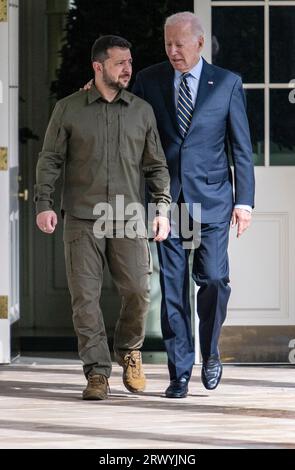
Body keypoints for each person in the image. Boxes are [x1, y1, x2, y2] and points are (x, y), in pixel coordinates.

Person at [34, 35, 171, 401]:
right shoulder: (68, 108)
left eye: (130, 61)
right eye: (119, 62)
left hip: (127, 216)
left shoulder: (141, 111)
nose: (128, 68)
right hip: (81, 217)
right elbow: (50, 159)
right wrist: (44, 203)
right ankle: (96, 372)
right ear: (98, 67)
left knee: (138, 291)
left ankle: (129, 349)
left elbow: (156, 165)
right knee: (85, 299)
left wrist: (161, 207)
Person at [131, 12, 255, 397]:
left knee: (214, 279)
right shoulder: (148, 80)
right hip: (167, 202)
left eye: (179, 45)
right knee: (172, 288)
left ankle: (211, 349)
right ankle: (179, 371)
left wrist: (245, 202)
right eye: (168, 44)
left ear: (199, 44)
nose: (172, 52)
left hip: (214, 199)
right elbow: (130, 127)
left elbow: (241, 148)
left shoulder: (227, 84)